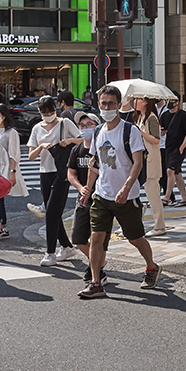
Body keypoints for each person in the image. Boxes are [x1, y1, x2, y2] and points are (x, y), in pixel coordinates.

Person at [78, 85, 160, 298]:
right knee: (96, 237)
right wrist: (87, 190)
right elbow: (95, 163)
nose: (106, 108)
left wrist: (126, 187)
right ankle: (96, 282)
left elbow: (138, 163)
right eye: (103, 104)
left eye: (111, 104)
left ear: (118, 105)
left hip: (127, 196)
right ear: (98, 105)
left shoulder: (129, 130)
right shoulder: (98, 131)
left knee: (135, 238)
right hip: (102, 195)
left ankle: (151, 267)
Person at [26, 95, 83, 266]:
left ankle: (50, 252)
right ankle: (67, 247)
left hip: (62, 172)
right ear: (39, 111)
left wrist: (69, 141)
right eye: (44, 112)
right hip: (44, 172)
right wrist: (40, 147)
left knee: (51, 212)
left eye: (50, 111)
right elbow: (30, 156)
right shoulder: (37, 128)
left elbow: (82, 139)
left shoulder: (65, 123)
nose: (48, 115)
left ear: (56, 108)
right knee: (54, 213)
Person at [67, 111, 109, 286]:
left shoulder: (103, 147)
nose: (86, 128)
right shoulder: (77, 150)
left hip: (102, 198)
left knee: (99, 239)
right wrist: (80, 187)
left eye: (89, 124)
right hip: (83, 199)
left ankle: (97, 271)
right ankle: (97, 264)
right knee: (78, 237)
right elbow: (71, 173)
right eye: (82, 126)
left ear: (97, 126)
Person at [132, 98, 167, 236]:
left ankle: (159, 226)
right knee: (135, 191)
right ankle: (137, 217)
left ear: (146, 102)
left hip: (151, 161)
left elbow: (156, 139)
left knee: (153, 195)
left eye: (139, 99)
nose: (135, 102)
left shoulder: (151, 118)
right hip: (143, 160)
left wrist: (139, 132)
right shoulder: (140, 117)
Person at [0, 103, 23, 241]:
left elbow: (14, 153)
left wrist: (12, 172)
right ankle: (2, 227)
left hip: (5, 168)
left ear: (3, 116)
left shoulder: (11, 132)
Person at [160, 98, 186, 206]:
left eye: (171, 100)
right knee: (177, 173)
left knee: (170, 170)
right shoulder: (164, 115)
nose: (168, 102)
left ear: (177, 102)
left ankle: (167, 197)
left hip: (179, 147)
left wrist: (182, 147)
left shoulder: (183, 115)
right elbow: (163, 131)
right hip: (169, 147)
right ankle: (185, 198)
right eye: (167, 100)